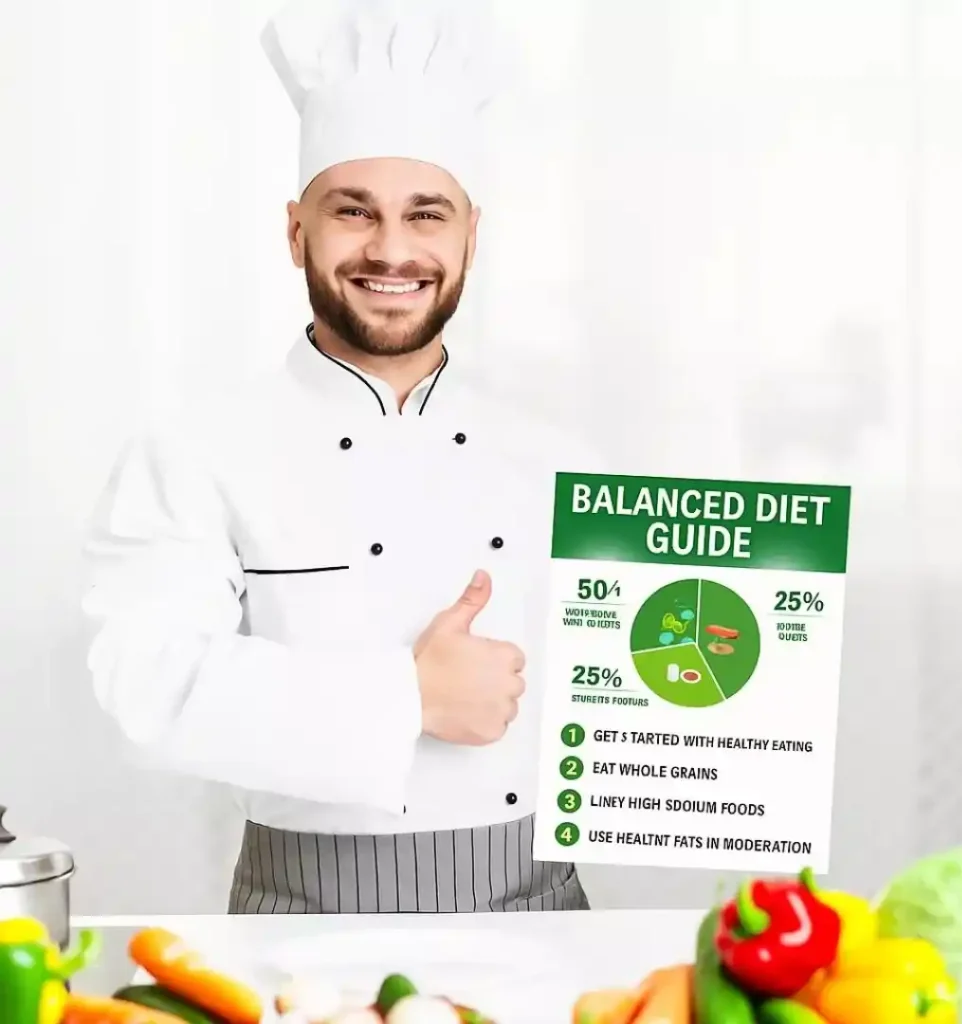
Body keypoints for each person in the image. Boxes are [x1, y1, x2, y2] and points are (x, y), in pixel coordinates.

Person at [81, 0, 597, 914]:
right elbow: (144, 682)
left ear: (471, 235)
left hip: (539, 915)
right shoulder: (196, 453)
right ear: (297, 232)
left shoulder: (563, 461)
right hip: (297, 919)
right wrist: (408, 697)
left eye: (425, 215)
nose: (391, 250)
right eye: (353, 212)